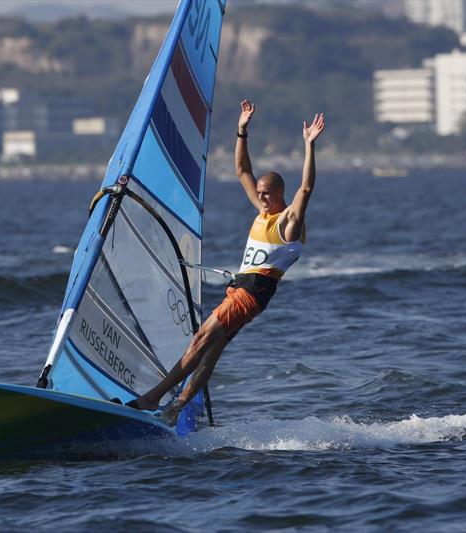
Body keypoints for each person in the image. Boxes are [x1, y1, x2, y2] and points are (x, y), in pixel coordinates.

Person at [128, 99, 325, 425]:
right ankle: (176, 409)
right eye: (259, 193)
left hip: (250, 294)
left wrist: (309, 146)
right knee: (210, 352)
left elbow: (306, 187)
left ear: (279, 192)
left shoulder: (288, 223)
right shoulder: (263, 213)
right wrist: (242, 131)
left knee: (200, 339)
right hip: (242, 293)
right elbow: (241, 171)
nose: (260, 197)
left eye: (266, 193)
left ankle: (152, 398)